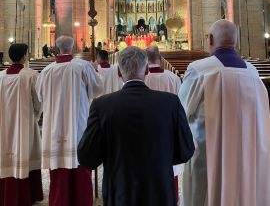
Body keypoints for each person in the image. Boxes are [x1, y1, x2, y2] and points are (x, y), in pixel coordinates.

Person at [78, 46, 194, 206]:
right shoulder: (171, 103)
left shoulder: (102, 106)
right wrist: (161, 158)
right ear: (146, 70)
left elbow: (86, 157)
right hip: (159, 191)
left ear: (119, 72)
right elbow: (186, 150)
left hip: (120, 191)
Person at [180, 20, 270, 206]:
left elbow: (180, 113)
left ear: (211, 39)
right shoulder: (253, 74)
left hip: (207, 159)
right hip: (246, 157)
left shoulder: (199, 70)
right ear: (235, 41)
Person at [36, 35, 103, 206]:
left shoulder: (46, 71)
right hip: (77, 124)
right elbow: (97, 90)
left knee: (59, 172)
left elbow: (40, 95)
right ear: (73, 48)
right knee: (80, 170)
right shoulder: (82, 66)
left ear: (56, 48)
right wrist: (96, 70)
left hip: (54, 126)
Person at [0, 43, 43, 206]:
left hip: (4, 125)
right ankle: (28, 194)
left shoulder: (1, 77)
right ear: (24, 56)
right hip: (24, 124)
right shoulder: (31, 75)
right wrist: (35, 116)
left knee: (6, 153)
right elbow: (38, 101)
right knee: (27, 153)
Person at [145, 45, 182, 201]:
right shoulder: (173, 78)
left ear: (145, 59)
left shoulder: (142, 77)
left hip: (145, 130)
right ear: (159, 57)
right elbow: (181, 104)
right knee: (169, 168)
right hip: (168, 130)